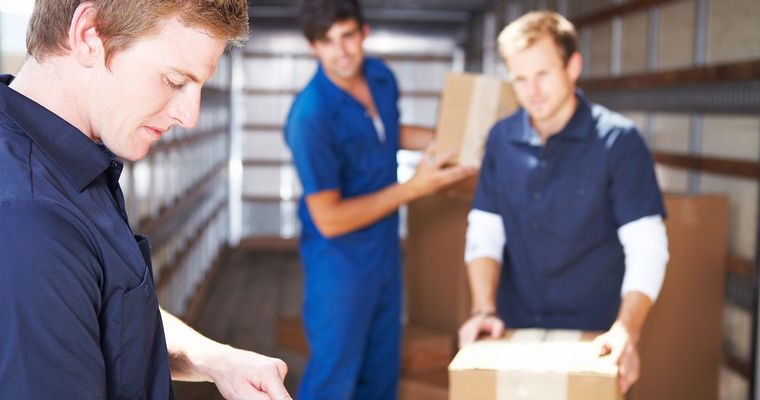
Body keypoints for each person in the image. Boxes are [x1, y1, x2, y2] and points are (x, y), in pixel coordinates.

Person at [0, 1, 291, 399]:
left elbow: (99, 311)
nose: (190, 116)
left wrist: (216, 359)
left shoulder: (65, 159)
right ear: (88, 35)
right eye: (173, 80)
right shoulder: (30, 221)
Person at [458, 10, 669, 394]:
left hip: (595, 339)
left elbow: (648, 247)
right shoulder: (501, 140)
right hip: (514, 330)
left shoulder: (619, 142)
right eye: (520, 79)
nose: (531, 91)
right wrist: (483, 309)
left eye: (542, 74)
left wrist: (627, 330)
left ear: (573, 66)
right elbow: (485, 231)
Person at [283, 0, 474, 398]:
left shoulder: (381, 76)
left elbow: (388, 130)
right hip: (340, 264)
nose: (342, 51)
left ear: (364, 32)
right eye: (327, 41)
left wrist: (452, 144)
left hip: (385, 251)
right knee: (334, 379)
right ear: (312, 47)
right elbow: (329, 219)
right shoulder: (310, 117)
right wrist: (416, 188)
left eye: (348, 36)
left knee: (380, 374)